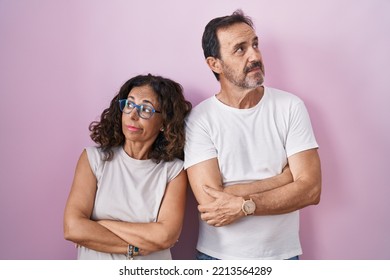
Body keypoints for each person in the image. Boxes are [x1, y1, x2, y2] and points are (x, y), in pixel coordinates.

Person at [184, 10, 321, 260]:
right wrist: (285, 179)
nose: (255, 55)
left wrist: (244, 204)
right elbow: (210, 201)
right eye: (240, 49)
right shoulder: (199, 120)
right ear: (215, 64)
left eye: (255, 45)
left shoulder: (290, 107)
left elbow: (310, 190)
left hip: (283, 257)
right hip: (218, 258)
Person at [64, 74, 192, 259]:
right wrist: (134, 249)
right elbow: (72, 228)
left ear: (164, 122)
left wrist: (99, 224)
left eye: (145, 109)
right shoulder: (93, 159)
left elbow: (165, 236)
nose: (132, 115)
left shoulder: (174, 171)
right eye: (130, 105)